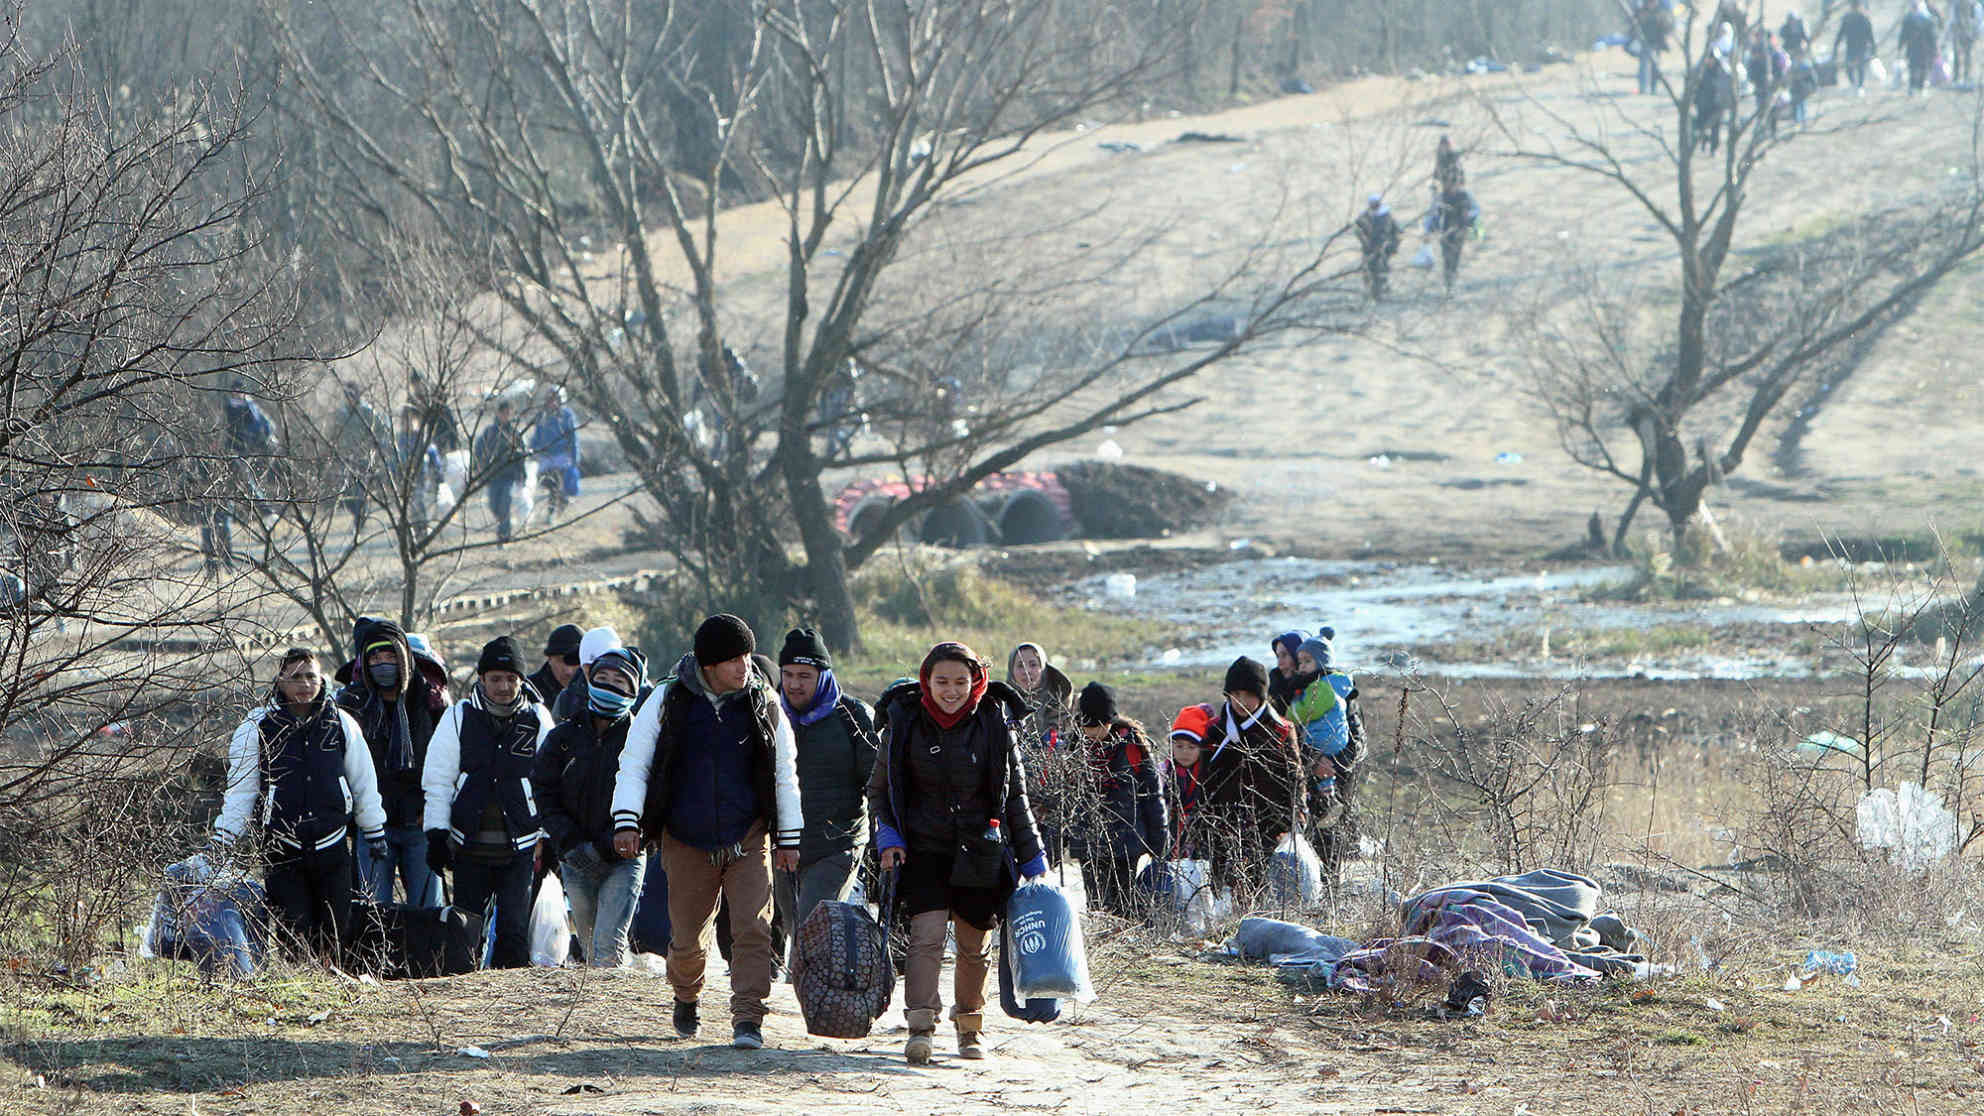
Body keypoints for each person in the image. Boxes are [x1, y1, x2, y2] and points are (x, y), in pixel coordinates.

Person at [609, 614, 803, 1051]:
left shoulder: (762, 702)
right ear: (710, 664)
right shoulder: (667, 699)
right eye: (735, 659)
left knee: (754, 927)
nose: (745, 667)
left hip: (749, 836)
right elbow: (635, 763)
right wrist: (627, 820)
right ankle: (686, 994)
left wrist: (789, 837)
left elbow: (784, 774)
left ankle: (749, 1017)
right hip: (685, 837)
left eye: (748, 657)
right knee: (686, 937)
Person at [868, 641, 1049, 1065]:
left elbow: (1015, 798)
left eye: (960, 682)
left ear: (976, 682)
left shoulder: (995, 723)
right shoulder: (904, 721)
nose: (951, 691)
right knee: (926, 939)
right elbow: (879, 791)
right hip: (924, 849)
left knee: (973, 946)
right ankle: (920, 1028)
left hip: (980, 852)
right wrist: (888, 836)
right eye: (942, 681)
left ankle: (970, 1027)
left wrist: (1033, 856)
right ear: (926, 682)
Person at [213, 648, 386, 959]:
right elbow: (241, 790)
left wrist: (374, 829)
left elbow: (363, 781)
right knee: (294, 933)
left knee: (336, 931)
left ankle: (333, 992)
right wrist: (224, 838)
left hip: (332, 845)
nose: (305, 684)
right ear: (280, 681)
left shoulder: (341, 723)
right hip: (281, 849)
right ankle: (301, 991)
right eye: (296, 677)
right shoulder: (256, 727)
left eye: (311, 676)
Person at [421, 636, 555, 968]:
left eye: (511, 679)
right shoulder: (458, 717)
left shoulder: (537, 719)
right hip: (468, 844)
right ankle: (462, 998)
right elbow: (438, 779)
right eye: (495, 678)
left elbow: (552, 783)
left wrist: (549, 837)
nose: (503, 686)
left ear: (521, 681)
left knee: (514, 932)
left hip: (520, 846)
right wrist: (437, 832)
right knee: (465, 933)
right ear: (481, 679)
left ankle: (514, 1005)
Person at [533, 647, 648, 967]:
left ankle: (615, 1011)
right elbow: (543, 791)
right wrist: (568, 841)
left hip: (625, 857)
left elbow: (656, 799)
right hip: (576, 858)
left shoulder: (644, 740)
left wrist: (609, 844)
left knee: (608, 949)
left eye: (620, 682)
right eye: (602, 678)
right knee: (588, 942)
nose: (609, 687)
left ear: (634, 690)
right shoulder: (562, 738)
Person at [771, 628, 881, 956]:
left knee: (810, 933)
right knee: (798, 934)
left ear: (823, 675)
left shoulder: (852, 715)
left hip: (837, 845)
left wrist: (886, 837)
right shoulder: (770, 713)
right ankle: (811, 999)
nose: (794, 684)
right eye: (788, 674)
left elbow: (876, 782)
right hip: (784, 846)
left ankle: (819, 1004)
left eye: (805, 675)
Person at [337, 617, 446, 909]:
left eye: (390, 655)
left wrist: (435, 812)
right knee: (374, 914)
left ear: (404, 657)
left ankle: (426, 958)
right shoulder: (352, 704)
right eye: (374, 657)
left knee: (428, 911)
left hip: (420, 823)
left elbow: (446, 762)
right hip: (372, 826)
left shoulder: (429, 700)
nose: (383, 663)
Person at [1198, 657, 1304, 903]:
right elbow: (1205, 780)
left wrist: (1297, 818)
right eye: (1235, 695)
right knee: (1225, 888)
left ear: (1262, 695)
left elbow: (1294, 777)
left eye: (1248, 695)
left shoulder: (1280, 730)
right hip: (1224, 823)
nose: (1241, 703)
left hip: (1269, 823)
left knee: (1266, 888)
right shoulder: (1215, 730)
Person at [1070, 683, 1167, 917]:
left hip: (1127, 843)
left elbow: (1152, 796)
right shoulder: (1073, 748)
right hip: (1089, 844)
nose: (1093, 732)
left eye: (1099, 725)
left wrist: (1159, 840)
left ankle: (1126, 947)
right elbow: (1067, 800)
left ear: (1111, 720)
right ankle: (1106, 947)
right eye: (1088, 726)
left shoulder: (1133, 746)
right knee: (1098, 906)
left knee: (1125, 904)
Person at [1006, 641, 1074, 863]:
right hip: (1013, 805)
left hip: (1055, 807)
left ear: (1044, 668)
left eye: (1033, 664)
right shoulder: (1000, 707)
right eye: (1020, 665)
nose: (1027, 671)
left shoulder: (1065, 707)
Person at [332, 381, 392, 534]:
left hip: (364, 457)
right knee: (347, 491)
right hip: (346, 457)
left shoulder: (367, 411)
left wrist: (376, 446)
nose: (349, 399)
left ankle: (360, 520)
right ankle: (357, 515)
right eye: (347, 396)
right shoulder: (340, 413)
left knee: (360, 490)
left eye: (351, 395)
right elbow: (334, 433)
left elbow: (381, 429)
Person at [1165, 703, 1217, 858]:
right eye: (1179, 746)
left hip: (1202, 843)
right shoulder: (1163, 772)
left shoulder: (1208, 775)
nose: (1185, 752)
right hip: (1169, 840)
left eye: (1192, 747)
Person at [474, 398, 529, 543]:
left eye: (508, 413)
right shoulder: (489, 432)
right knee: (493, 505)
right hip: (493, 476)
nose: (505, 416)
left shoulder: (515, 434)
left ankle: (504, 536)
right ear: (497, 413)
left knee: (505, 503)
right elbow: (479, 452)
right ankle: (503, 525)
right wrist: (478, 470)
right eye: (503, 413)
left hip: (509, 476)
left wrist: (522, 474)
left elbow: (522, 455)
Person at [529, 385, 581, 524]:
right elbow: (537, 435)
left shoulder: (567, 415)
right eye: (550, 398)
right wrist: (532, 450)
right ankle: (553, 511)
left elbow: (573, 438)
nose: (552, 401)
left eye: (555, 398)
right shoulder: (542, 416)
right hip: (545, 457)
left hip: (562, 457)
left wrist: (575, 457)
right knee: (550, 485)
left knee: (558, 485)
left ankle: (554, 513)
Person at [1434, 182, 1480, 293]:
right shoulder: (1441, 196)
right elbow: (1434, 214)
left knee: (1455, 257)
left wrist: (1467, 220)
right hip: (1445, 232)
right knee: (1446, 258)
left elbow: (1475, 210)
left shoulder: (1465, 195)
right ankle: (1448, 282)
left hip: (1459, 231)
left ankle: (1451, 281)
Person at [1354, 195, 1401, 300]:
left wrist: (1392, 245)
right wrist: (1365, 242)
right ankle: (1370, 292)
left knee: (1381, 270)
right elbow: (1357, 230)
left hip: (1383, 248)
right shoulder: (1363, 217)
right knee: (1368, 270)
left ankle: (1380, 291)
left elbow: (1397, 232)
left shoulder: (1386, 215)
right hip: (1369, 248)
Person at [530, 623, 585, 711]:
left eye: (575, 661)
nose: (568, 671)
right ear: (549, 659)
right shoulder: (528, 692)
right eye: (560, 660)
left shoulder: (595, 691)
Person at [1836, 1, 1878, 93]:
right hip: (1851, 46)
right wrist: (1836, 44)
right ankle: (1854, 84)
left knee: (1860, 67)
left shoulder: (1864, 18)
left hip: (1861, 46)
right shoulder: (1847, 18)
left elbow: (1870, 34)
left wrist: (1873, 47)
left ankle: (1860, 86)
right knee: (1849, 67)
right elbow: (1841, 32)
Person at [1633, 0, 1673, 95]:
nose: (1652, 3)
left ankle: (1653, 88)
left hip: (1656, 44)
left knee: (1655, 67)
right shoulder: (1641, 12)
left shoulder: (1661, 12)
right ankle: (1643, 88)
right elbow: (1634, 24)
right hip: (1645, 43)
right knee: (1644, 66)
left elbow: (1667, 27)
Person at [1696, 54, 1732, 153]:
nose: (1709, 61)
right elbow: (1698, 87)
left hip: (1717, 104)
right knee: (1702, 126)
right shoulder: (1703, 71)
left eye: (1711, 59)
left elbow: (1725, 88)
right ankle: (1704, 143)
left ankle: (1714, 148)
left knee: (1715, 128)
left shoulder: (1722, 71)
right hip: (1704, 104)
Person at [1903, 1, 1941, 94]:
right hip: (1917, 48)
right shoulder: (1911, 19)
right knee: (1916, 67)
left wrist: (1934, 48)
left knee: (1919, 67)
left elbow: (1932, 36)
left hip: (1920, 48)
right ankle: (1915, 86)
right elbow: (1904, 34)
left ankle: (1918, 86)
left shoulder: (1924, 19)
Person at [1266, 631, 1308, 714]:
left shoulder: (1321, 686)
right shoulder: (1273, 686)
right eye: (1278, 656)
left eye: (1284, 655)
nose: (1279, 663)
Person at [1954, 0, 1982, 84]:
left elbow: (1978, 21)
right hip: (1962, 33)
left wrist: (1974, 33)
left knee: (1967, 56)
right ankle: (1960, 76)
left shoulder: (1974, 6)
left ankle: (1966, 76)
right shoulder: (1958, 5)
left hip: (1968, 34)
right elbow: (1955, 19)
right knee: (1962, 56)